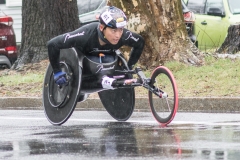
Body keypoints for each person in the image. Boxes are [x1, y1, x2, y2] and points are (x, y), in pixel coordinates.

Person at [47, 6, 145, 89]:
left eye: (121, 30)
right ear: (102, 28)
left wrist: (129, 66)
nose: (118, 35)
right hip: (84, 63)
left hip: (107, 61)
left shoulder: (124, 36)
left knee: (111, 64)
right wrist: (57, 71)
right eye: (114, 31)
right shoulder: (84, 35)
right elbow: (53, 44)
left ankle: (107, 81)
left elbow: (140, 42)